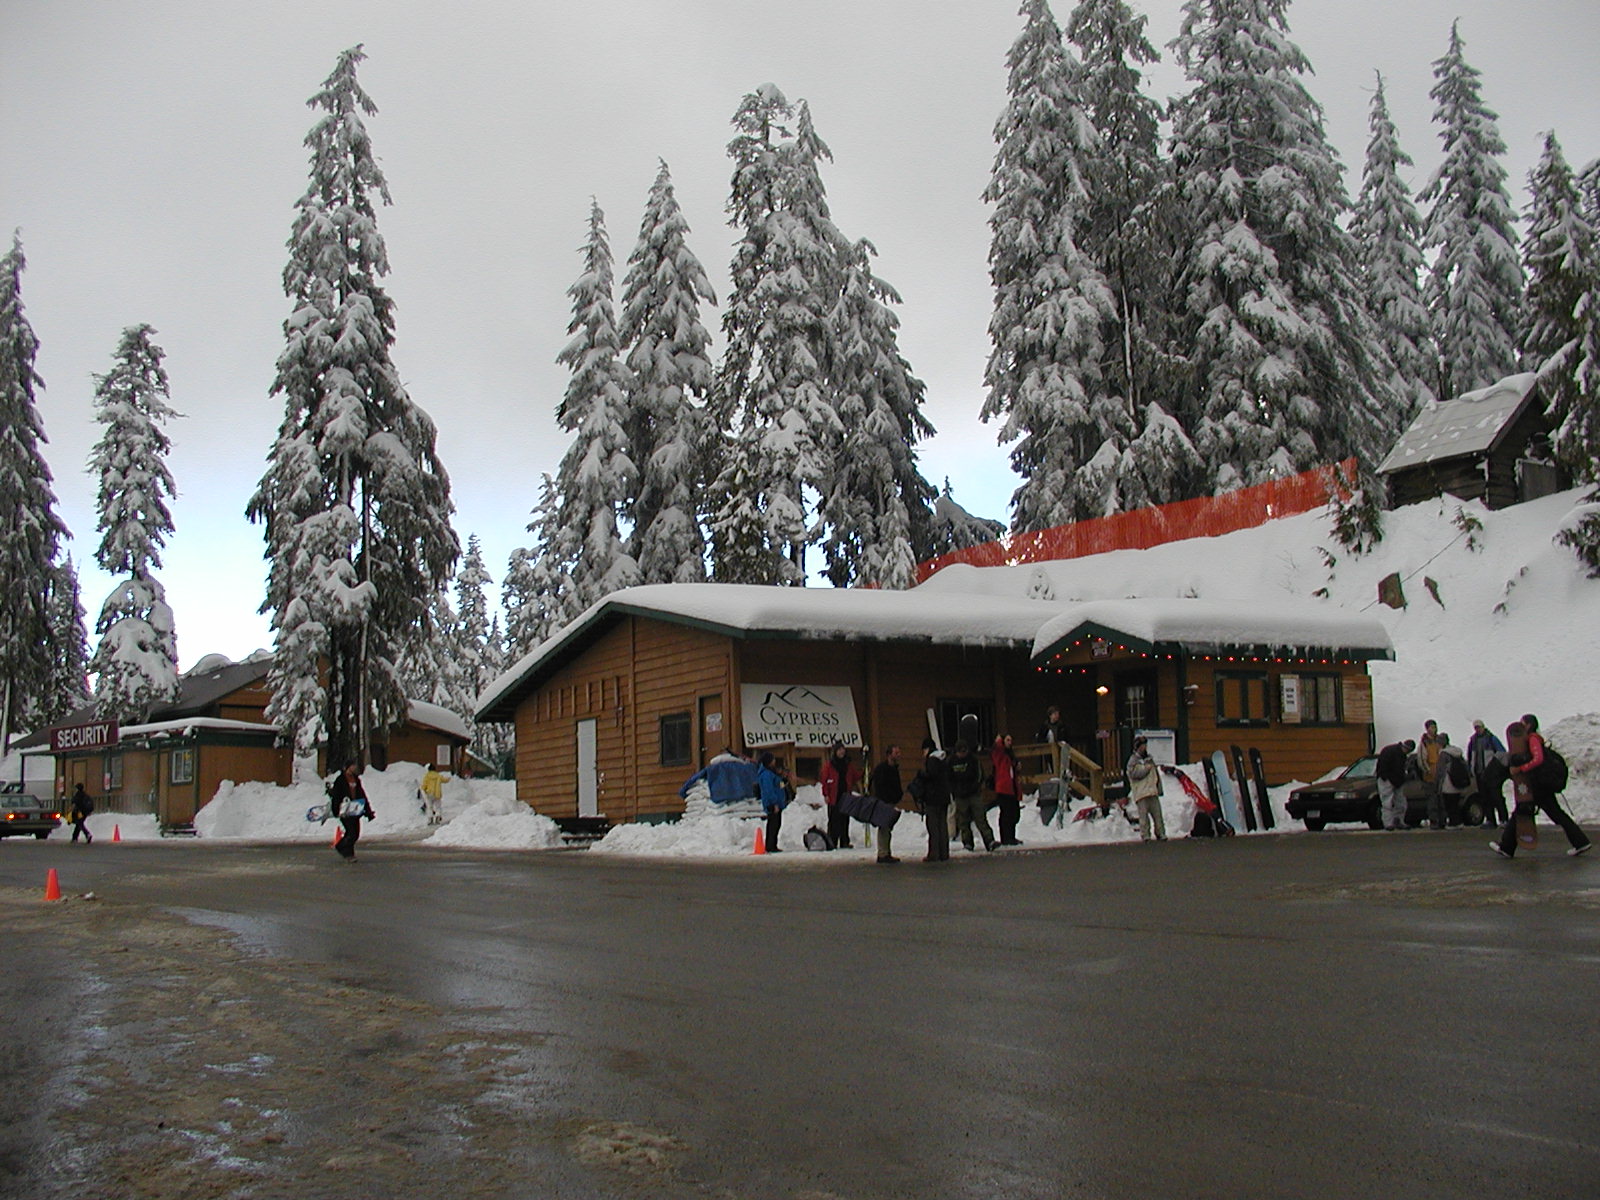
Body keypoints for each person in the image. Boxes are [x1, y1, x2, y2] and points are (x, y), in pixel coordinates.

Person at [1493, 715, 1591, 858]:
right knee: (1552, 813)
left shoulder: (1533, 739)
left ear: (1529, 725)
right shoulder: (1532, 739)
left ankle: (1506, 847)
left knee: (1522, 811)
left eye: (1523, 723)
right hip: (1540, 784)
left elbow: (1538, 759)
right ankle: (1580, 842)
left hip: (1538, 785)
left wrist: (1521, 768)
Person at [947, 740, 995, 852]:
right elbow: (948, 778)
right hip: (960, 796)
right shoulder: (951, 762)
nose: (962, 754)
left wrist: (975, 787)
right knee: (963, 821)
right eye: (960, 752)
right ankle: (967, 842)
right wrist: (954, 790)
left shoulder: (973, 760)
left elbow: (979, 775)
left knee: (980, 818)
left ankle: (989, 840)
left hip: (974, 794)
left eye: (964, 752)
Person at [678, 748, 760, 806]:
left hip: (719, 795)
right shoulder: (748, 767)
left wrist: (683, 791)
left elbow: (693, 779)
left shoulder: (711, 768)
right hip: (748, 797)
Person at [819, 742, 863, 851]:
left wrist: (864, 772)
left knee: (844, 819)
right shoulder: (829, 766)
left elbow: (855, 776)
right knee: (833, 820)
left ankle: (844, 841)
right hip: (834, 796)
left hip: (845, 796)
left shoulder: (848, 765)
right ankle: (832, 841)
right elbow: (824, 781)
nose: (842, 752)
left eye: (843, 749)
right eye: (839, 750)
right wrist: (826, 794)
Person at [913, 737, 951, 862]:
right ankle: (944, 852)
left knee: (933, 826)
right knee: (942, 825)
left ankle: (934, 853)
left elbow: (932, 776)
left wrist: (921, 775)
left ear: (927, 749)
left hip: (933, 798)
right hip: (944, 797)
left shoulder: (932, 760)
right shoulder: (943, 759)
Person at [1466, 719, 1508, 828]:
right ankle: (1490, 820)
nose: (1477, 729)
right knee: (1485, 798)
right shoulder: (1473, 741)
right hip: (1479, 773)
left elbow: (1502, 752)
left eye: (1479, 727)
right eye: (1476, 728)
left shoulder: (1491, 738)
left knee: (1496, 796)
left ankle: (1503, 819)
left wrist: (1494, 765)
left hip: (1492, 774)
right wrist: (1471, 769)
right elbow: (1470, 756)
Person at [329, 760, 374, 861]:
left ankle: (341, 847)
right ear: (347, 767)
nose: (354, 768)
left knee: (355, 833)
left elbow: (361, 795)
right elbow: (336, 796)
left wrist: (368, 811)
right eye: (353, 766)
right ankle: (348, 854)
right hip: (344, 810)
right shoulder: (340, 780)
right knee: (351, 833)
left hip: (355, 809)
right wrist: (336, 809)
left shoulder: (356, 779)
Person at [869, 745, 906, 864]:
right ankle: (882, 853)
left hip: (890, 801)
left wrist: (897, 795)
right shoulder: (882, 769)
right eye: (896, 753)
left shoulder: (894, 768)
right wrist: (884, 799)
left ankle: (886, 851)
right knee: (884, 827)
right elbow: (879, 785)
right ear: (889, 754)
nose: (898, 755)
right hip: (883, 802)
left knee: (888, 828)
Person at [1126, 736, 1167, 842]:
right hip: (1141, 793)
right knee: (1144, 817)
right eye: (1142, 745)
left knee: (1157, 815)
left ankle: (1161, 833)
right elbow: (1134, 775)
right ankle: (1145, 835)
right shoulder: (1133, 761)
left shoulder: (1150, 759)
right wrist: (1145, 769)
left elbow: (1155, 775)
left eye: (1145, 745)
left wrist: (1159, 788)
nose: (1144, 747)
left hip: (1152, 791)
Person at [1375, 738, 1414, 831]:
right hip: (1387, 779)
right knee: (1387, 802)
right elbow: (1383, 766)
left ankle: (1397, 821)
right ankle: (1389, 823)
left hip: (1395, 780)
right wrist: (1385, 777)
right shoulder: (1391, 752)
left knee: (1400, 803)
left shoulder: (1396, 753)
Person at [990, 734, 1022, 846]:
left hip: (1012, 787)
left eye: (1011, 740)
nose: (1010, 742)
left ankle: (1011, 836)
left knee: (1014, 814)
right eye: (1007, 740)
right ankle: (1006, 838)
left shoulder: (1010, 754)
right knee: (1006, 814)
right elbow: (996, 750)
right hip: (1003, 788)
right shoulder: (1000, 754)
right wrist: (998, 741)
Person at [755, 752, 789, 854]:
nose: (774, 761)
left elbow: (778, 785)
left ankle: (773, 844)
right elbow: (768, 790)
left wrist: (784, 781)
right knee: (773, 824)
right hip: (772, 804)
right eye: (773, 759)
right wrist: (774, 803)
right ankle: (770, 845)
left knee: (777, 824)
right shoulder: (766, 775)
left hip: (777, 803)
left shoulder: (772, 773)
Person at [1436, 734, 1470, 826]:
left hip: (1447, 783)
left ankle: (1453, 823)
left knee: (1449, 804)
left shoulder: (1443, 754)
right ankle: (1458, 822)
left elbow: (1440, 770)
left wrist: (1437, 784)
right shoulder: (1457, 752)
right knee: (1456, 804)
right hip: (1457, 782)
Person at [1417, 720, 1444, 828]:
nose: (1434, 729)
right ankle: (1434, 821)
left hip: (1441, 775)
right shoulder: (1424, 743)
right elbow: (1421, 759)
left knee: (1442, 800)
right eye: (1432, 727)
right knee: (1432, 800)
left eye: (1435, 727)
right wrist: (1428, 771)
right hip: (1430, 776)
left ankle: (1442, 820)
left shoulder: (1439, 741)